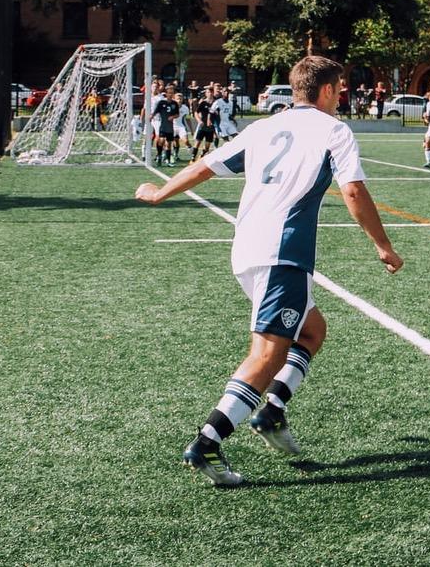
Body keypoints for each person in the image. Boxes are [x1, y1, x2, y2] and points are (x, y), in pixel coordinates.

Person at [135, 56, 404, 487]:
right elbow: (352, 189)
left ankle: (272, 412)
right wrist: (383, 245)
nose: (343, 96)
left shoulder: (263, 127)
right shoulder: (334, 130)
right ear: (329, 90)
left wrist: (160, 192)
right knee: (267, 354)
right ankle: (207, 442)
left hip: (246, 248)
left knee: (312, 331)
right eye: (341, 88)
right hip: (283, 252)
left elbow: (205, 166)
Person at [152, 84, 179, 166]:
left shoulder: (175, 104)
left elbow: (177, 114)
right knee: (161, 141)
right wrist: (151, 116)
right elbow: (156, 111)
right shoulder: (161, 102)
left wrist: (173, 116)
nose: (170, 95)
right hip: (163, 125)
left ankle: (167, 160)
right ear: (166, 94)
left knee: (168, 144)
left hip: (170, 127)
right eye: (169, 93)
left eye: (172, 93)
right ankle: (159, 156)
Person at [191, 87, 216, 161]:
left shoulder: (216, 103)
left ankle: (201, 156)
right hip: (203, 126)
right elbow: (196, 112)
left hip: (211, 127)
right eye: (208, 92)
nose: (210, 94)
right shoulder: (203, 102)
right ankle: (192, 158)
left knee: (207, 146)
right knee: (198, 142)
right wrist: (199, 120)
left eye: (211, 92)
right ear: (206, 93)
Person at [172, 92, 192, 161]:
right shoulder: (171, 107)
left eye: (180, 99)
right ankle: (176, 155)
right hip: (173, 127)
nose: (179, 100)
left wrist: (191, 129)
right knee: (175, 142)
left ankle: (193, 155)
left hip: (181, 127)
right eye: (178, 99)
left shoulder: (185, 108)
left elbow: (188, 119)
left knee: (186, 141)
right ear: (174, 99)